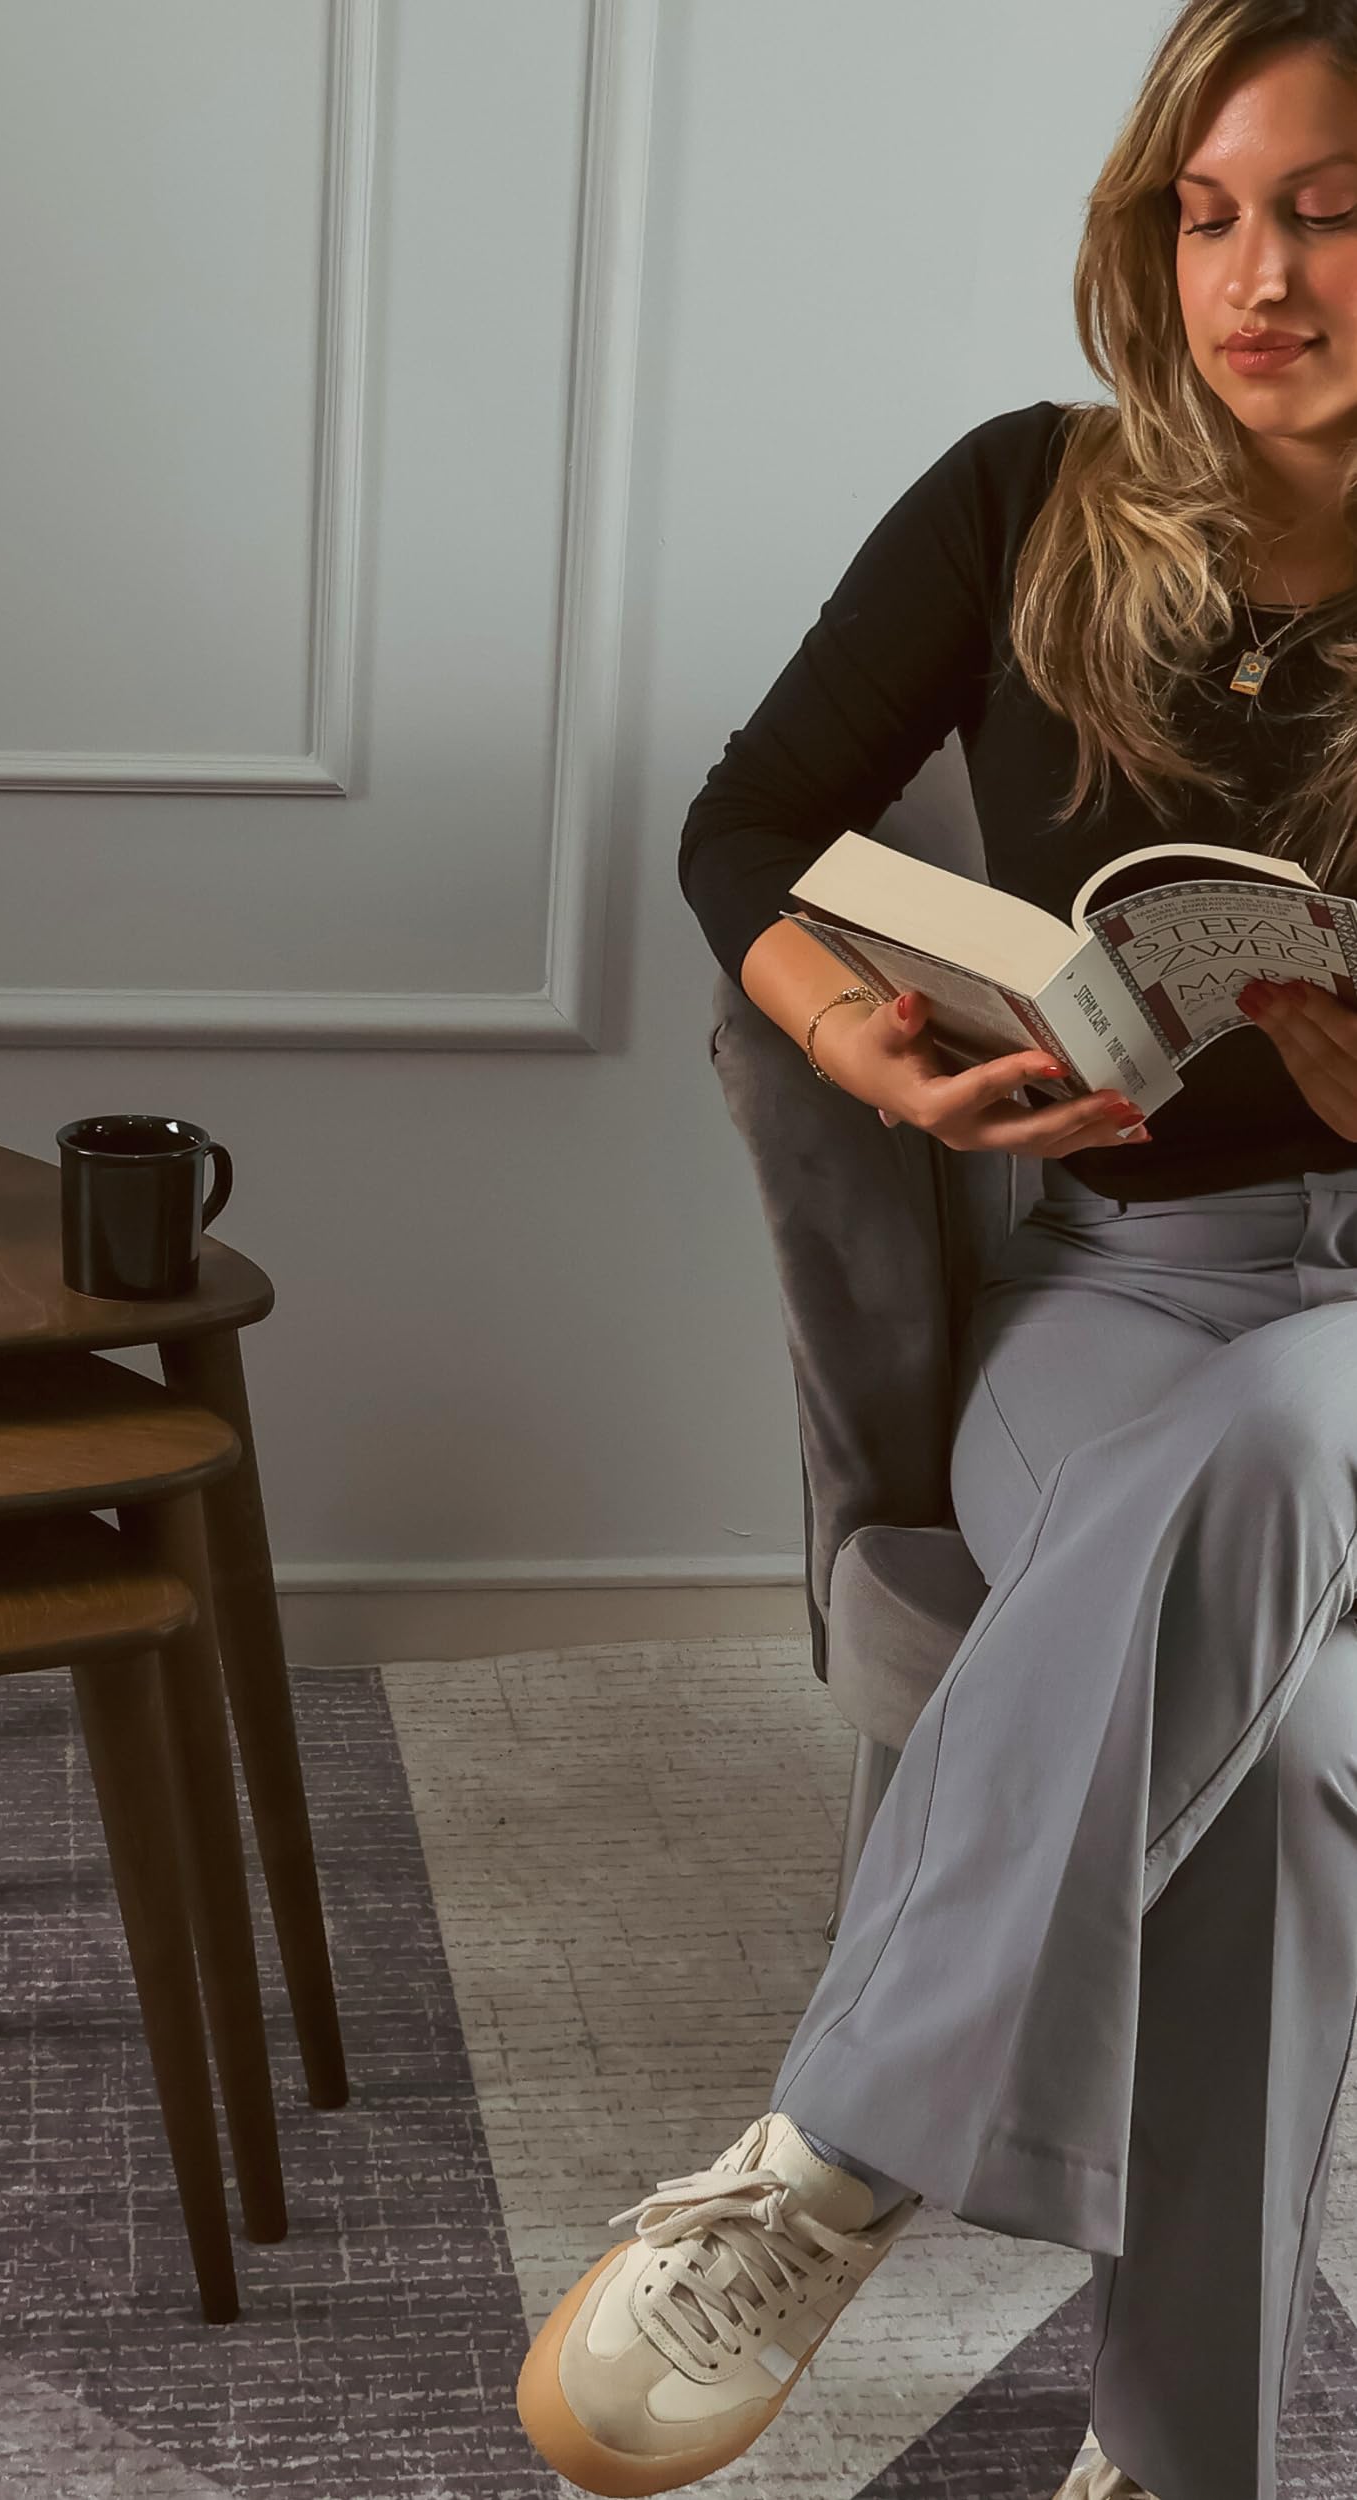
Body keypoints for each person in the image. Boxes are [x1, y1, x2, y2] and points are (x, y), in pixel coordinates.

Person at [514, 7, 1357, 2498]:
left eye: (1323, 204)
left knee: (1297, 1417)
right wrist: (860, 1042)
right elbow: (744, 823)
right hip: (1103, 1284)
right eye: (1205, 213)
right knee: (1286, 1741)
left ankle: (827, 2158)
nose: (1256, 274)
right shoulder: (1025, 498)